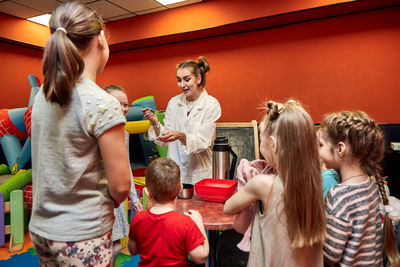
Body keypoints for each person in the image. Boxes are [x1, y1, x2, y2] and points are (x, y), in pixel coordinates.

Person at [29, 2, 131, 266]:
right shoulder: (101, 102)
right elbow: (121, 185)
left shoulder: (43, 95)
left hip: (42, 230)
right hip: (82, 235)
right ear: (100, 40)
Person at [224, 100, 325, 266]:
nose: (261, 145)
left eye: (261, 140)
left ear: (273, 144)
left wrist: (246, 179)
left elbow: (229, 207)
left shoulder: (262, 184)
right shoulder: (314, 182)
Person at [319, 111, 400, 266]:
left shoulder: (338, 196)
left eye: (321, 145)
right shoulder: (370, 186)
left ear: (340, 149)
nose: (318, 150)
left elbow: (330, 255)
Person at [142, 56, 221, 185]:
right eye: (179, 80)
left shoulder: (211, 104)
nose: (182, 85)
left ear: (198, 79)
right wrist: (156, 122)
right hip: (176, 172)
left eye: (187, 79)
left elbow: (203, 142)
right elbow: (164, 140)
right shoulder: (174, 103)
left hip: (200, 174)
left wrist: (181, 135)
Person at [128, 157, 209, 266]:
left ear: (147, 193)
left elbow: (133, 250)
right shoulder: (185, 222)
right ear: (180, 189)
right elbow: (201, 257)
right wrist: (200, 224)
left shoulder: (138, 218)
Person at [104, 85, 143, 265]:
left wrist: (134, 198)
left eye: (126, 104)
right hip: (100, 199)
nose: (123, 108)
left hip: (117, 200)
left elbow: (125, 165)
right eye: (117, 103)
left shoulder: (124, 132)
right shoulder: (95, 131)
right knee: (102, 249)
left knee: (116, 248)